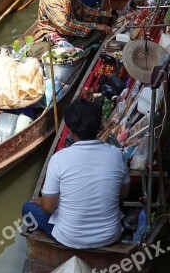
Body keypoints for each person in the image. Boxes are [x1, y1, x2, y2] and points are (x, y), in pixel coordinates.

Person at [22, 99, 130, 248]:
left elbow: (48, 207)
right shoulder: (117, 154)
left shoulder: (59, 159)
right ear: (99, 127)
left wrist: (42, 201)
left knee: (28, 208)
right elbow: (124, 193)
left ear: (70, 131)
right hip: (109, 236)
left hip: (70, 238)